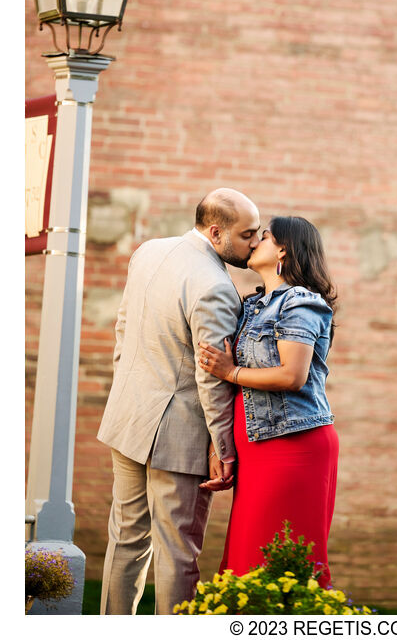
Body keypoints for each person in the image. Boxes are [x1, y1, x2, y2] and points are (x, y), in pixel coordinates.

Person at [97, 188, 261, 615]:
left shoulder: (148, 252)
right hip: (178, 436)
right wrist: (224, 449)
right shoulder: (216, 287)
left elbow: (123, 327)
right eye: (247, 235)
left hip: (127, 418)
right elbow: (212, 380)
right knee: (178, 551)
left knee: (126, 540)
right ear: (215, 231)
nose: (255, 243)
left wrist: (126, 390)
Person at [197, 215, 338, 586]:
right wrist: (221, 448)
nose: (255, 242)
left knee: (282, 558)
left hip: (293, 447)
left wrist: (230, 372)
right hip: (256, 446)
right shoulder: (254, 304)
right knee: (248, 553)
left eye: (264, 236)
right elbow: (239, 396)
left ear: (283, 249)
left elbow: (292, 375)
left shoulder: (302, 302)